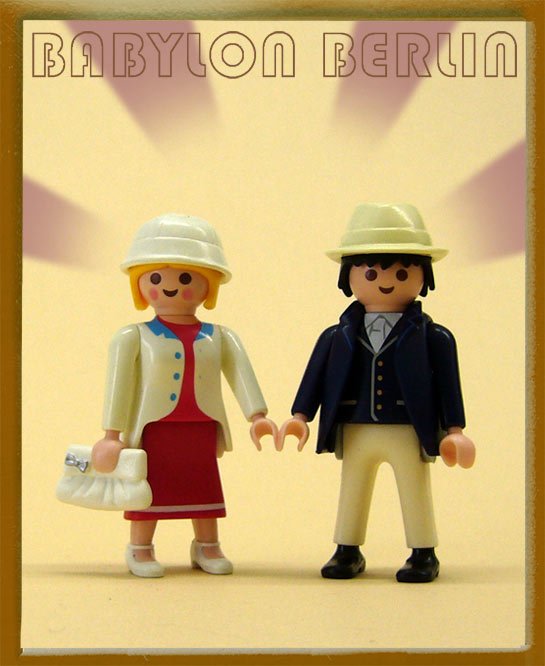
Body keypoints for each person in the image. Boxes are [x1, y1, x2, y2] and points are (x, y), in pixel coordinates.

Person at [278, 203, 475, 583]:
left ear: (424, 276)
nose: (386, 281)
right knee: (352, 487)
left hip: (408, 426)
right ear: (348, 276)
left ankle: (423, 552)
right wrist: (301, 416)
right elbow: (315, 377)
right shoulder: (337, 336)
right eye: (371, 272)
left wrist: (455, 430)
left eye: (402, 272)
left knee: (414, 487)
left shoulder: (433, 337)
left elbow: (449, 384)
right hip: (355, 426)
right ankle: (347, 550)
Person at [92, 213, 277, 578]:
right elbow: (119, 384)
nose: (170, 287)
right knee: (148, 488)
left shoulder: (219, 336)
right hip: (154, 427)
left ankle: (207, 545)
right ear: (139, 283)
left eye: (186, 278)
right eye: (156, 278)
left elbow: (240, 373)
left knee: (202, 483)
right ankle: (140, 547)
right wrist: (111, 434)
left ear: (210, 284)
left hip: (201, 425)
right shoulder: (133, 336)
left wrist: (257, 416)